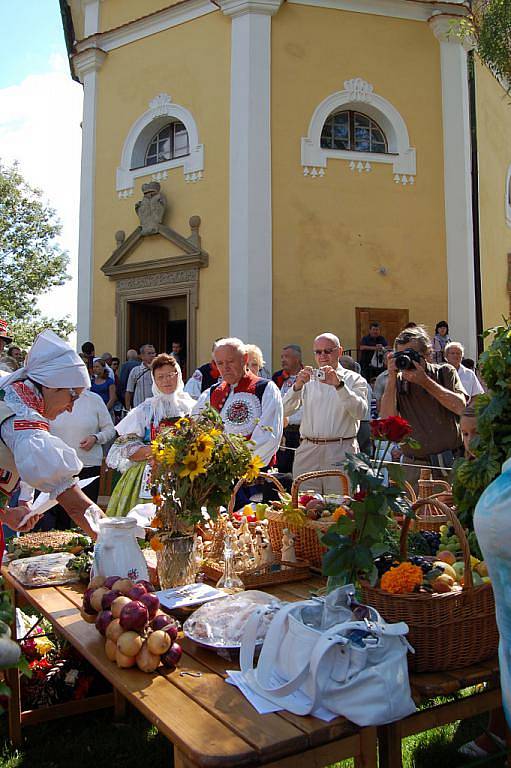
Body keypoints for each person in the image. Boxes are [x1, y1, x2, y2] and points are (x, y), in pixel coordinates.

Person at [0, 329, 103, 548]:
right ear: (50, 385)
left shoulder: (13, 396)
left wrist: (6, 515)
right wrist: (115, 539)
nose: (70, 407)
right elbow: (76, 506)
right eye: (72, 395)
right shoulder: (22, 418)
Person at [106, 354, 195, 516]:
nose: (166, 381)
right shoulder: (146, 409)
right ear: (154, 380)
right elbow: (127, 447)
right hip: (150, 472)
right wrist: (155, 451)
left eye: (170, 375)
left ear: (178, 375)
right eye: (160, 377)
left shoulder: (192, 408)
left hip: (187, 472)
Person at [283, 332, 368, 493]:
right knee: (303, 505)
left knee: (340, 506)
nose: (322, 355)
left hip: (340, 449)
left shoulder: (354, 379)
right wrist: (297, 386)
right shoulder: (308, 379)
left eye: (328, 351)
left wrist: (339, 385)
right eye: (318, 351)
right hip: (308, 448)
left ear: (340, 351)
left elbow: (360, 413)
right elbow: (285, 411)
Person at [380, 326, 466, 484]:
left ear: (427, 354)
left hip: (449, 464)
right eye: (401, 355)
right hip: (413, 466)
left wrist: (425, 381)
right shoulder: (397, 383)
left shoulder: (444, 373)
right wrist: (392, 378)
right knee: (414, 509)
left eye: (411, 355)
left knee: (449, 509)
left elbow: (460, 407)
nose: (406, 360)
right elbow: (387, 419)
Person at [192, 338, 283, 469]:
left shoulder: (266, 389)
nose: (225, 368)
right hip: (216, 475)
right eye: (220, 363)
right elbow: (195, 426)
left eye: (230, 361)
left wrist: (236, 464)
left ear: (244, 359)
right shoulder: (211, 392)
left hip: (253, 473)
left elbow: (268, 437)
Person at [40, 390, 116, 529]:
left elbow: (110, 429)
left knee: (88, 516)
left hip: (89, 467)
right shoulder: (51, 398)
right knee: (60, 516)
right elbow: (41, 430)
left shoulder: (94, 399)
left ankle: (91, 546)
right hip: (59, 468)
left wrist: (96, 438)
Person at [272, 345, 303, 474]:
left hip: (300, 430)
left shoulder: (307, 377)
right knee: (283, 468)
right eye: (282, 357)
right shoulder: (277, 377)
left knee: (300, 469)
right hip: (283, 431)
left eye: (287, 357)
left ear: (297, 359)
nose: (283, 360)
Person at [125, 344, 156, 409]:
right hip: (139, 409)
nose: (152, 355)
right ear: (142, 356)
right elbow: (129, 391)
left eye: (153, 353)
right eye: (149, 353)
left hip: (156, 409)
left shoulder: (159, 370)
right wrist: (128, 409)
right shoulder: (135, 371)